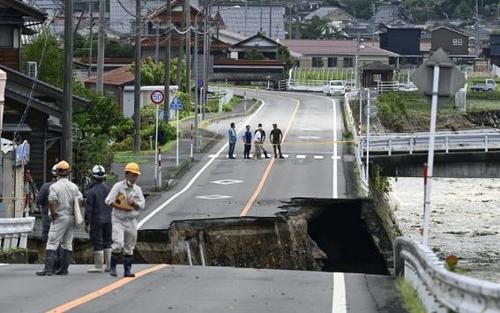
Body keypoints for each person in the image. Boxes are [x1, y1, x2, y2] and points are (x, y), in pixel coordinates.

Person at [36, 160, 82, 276]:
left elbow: (51, 201)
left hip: (60, 216)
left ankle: (48, 269)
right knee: (67, 243)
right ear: (68, 172)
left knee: (52, 242)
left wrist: (53, 213)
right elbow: (80, 199)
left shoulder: (54, 186)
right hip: (71, 217)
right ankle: (64, 269)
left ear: (57, 173)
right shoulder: (74, 187)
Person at [105, 162, 145, 278]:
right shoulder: (118, 187)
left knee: (129, 247)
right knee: (118, 243)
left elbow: (142, 204)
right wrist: (123, 207)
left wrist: (134, 203)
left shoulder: (137, 189)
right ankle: (112, 267)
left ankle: (127, 270)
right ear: (127, 174)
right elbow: (108, 201)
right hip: (118, 219)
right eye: (133, 175)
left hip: (131, 220)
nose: (135, 178)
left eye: (136, 175)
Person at [85, 165, 112, 273]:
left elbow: (89, 209)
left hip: (97, 220)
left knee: (98, 242)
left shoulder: (91, 192)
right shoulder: (108, 189)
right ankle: (109, 265)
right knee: (108, 242)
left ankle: (99, 266)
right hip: (108, 219)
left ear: (93, 177)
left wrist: (87, 222)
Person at [36, 164, 58, 244]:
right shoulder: (70, 187)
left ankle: (48, 254)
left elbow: (38, 201)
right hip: (64, 217)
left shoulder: (46, 186)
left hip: (47, 216)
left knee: (48, 238)